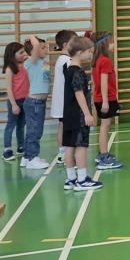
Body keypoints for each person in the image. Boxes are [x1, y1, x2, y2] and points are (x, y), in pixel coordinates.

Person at [61, 37, 102, 191]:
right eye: (89, 52)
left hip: (68, 114)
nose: (91, 55)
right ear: (79, 52)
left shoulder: (68, 69)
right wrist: (87, 114)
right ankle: (82, 179)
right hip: (79, 114)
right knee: (81, 146)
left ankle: (71, 178)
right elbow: (79, 94)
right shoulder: (78, 72)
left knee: (69, 146)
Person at [91, 31, 122, 170]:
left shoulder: (97, 60)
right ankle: (104, 156)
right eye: (112, 42)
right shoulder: (105, 61)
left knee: (105, 126)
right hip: (106, 98)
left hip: (101, 98)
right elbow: (103, 82)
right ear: (105, 44)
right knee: (105, 127)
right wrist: (105, 101)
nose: (114, 45)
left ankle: (102, 154)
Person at [21, 35, 52, 169]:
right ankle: (32, 158)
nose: (46, 50)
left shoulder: (42, 62)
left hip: (40, 102)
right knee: (35, 131)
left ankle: (26, 157)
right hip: (34, 102)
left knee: (33, 130)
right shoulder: (31, 61)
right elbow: (35, 45)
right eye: (42, 48)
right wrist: (32, 37)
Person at [50, 30, 77, 164]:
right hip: (65, 101)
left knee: (62, 125)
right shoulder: (66, 61)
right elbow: (72, 81)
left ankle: (62, 153)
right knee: (65, 127)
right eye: (74, 41)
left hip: (63, 100)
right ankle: (64, 153)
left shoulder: (63, 59)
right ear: (66, 45)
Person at [1, 42, 29, 161]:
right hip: (15, 101)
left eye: (24, 52)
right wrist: (13, 105)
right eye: (21, 52)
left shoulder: (24, 65)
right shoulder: (10, 69)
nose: (24, 54)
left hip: (25, 100)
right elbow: (8, 88)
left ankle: (21, 146)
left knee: (21, 125)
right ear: (13, 55)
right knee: (11, 125)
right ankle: (7, 149)